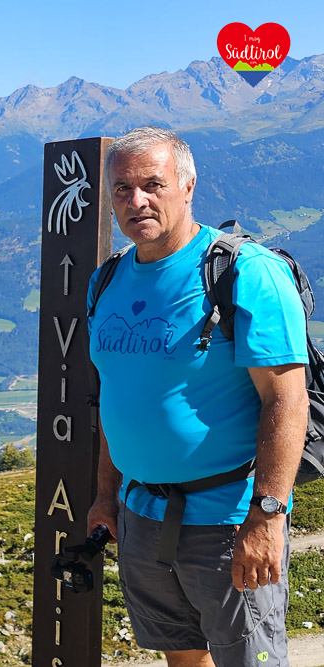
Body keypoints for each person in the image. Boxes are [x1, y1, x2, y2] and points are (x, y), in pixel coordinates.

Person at [85, 126, 309, 667]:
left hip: (227, 518)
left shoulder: (245, 272)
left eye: (152, 185)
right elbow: (119, 400)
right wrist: (105, 496)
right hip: (142, 514)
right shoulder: (107, 280)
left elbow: (287, 400)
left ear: (187, 187)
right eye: (121, 189)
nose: (136, 201)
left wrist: (267, 518)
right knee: (181, 658)